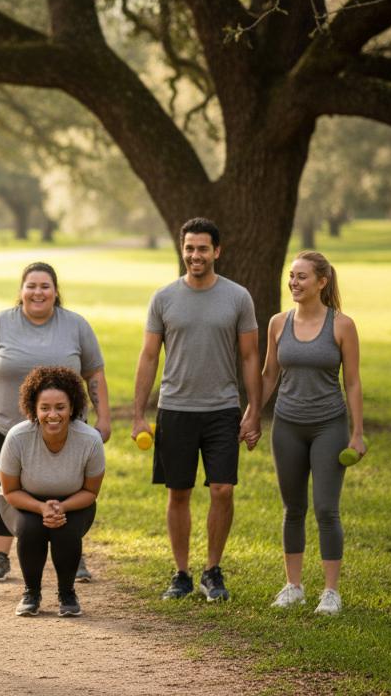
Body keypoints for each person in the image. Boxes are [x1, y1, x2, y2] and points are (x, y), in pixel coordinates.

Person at [131, 217, 262, 603]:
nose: (195, 255)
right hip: (175, 409)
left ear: (217, 251)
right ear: (182, 250)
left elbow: (251, 356)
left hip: (222, 408)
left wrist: (254, 409)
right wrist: (139, 413)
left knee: (222, 489)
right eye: (189, 248)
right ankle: (182, 573)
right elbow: (149, 356)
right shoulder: (164, 298)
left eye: (203, 248)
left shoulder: (238, 297)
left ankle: (213, 570)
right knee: (179, 493)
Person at [0, 261, 111, 584]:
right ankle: (0, 556)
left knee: (68, 485)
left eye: (45, 286)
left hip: (66, 428)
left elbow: (94, 372)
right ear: (21, 291)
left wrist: (104, 417)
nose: (38, 292)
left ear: (56, 292)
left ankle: (75, 555)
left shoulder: (76, 326)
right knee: (6, 488)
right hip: (5, 423)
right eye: (31, 286)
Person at [259, 251, 365, 615]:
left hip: (328, 426)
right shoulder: (277, 323)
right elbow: (269, 375)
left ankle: (331, 592)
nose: (294, 283)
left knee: (325, 509)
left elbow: (352, 382)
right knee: (293, 508)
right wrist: (251, 414)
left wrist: (358, 433)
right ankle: (294, 586)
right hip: (287, 425)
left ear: (322, 282)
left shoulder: (342, 325)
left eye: (302, 277)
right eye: (291, 276)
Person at [0, 367, 105, 618]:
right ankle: (31, 593)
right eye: (45, 408)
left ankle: (67, 593)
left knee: (65, 528)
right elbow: (10, 490)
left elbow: (91, 491)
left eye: (60, 407)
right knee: (31, 528)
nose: (53, 414)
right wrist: (41, 508)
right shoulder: (18, 437)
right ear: (34, 409)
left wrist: (62, 508)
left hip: (75, 501)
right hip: (21, 500)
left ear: (72, 407)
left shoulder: (90, 440)